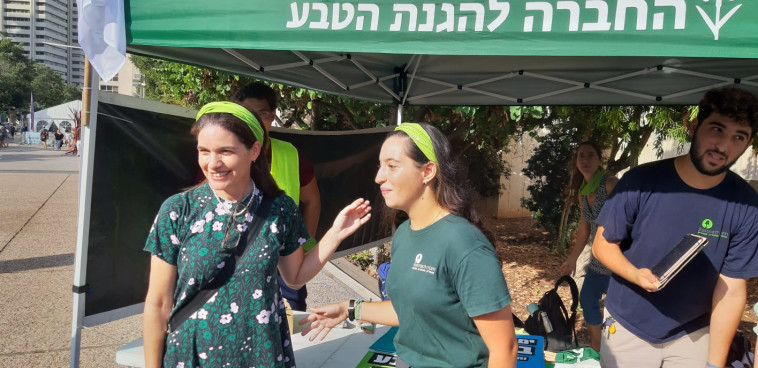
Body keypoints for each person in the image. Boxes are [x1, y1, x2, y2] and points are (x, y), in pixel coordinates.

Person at [142, 101, 371, 368]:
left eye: (225, 151)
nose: (212, 163)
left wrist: (335, 233)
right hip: (193, 355)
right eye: (204, 151)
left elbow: (295, 278)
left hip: (260, 353)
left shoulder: (280, 208)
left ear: (254, 151)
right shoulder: (178, 210)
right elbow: (158, 304)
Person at [301, 123, 518, 368]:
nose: (378, 177)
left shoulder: (464, 244)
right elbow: (409, 310)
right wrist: (349, 309)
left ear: (427, 172)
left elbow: (505, 349)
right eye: (380, 166)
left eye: (392, 166)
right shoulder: (404, 234)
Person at [592, 87, 758, 368]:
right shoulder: (641, 180)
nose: (723, 146)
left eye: (738, 137)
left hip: (692, 334)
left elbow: (731, 288)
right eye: (716, 130)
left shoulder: (747, 205)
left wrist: (714, 365)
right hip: (629, 324)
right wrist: (635, 274)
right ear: (694, 127)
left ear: (748, 143)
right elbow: (602, 245)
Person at [234, 82, 321, 311]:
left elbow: (312, 201)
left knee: (291, 331)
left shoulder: (290, 154)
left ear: (272, 115)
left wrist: (304, 244)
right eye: (245, 114)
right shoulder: (226, 155)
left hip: (285, 267)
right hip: (239, 265)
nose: (251, 121)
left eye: (260, 114)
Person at [559, 141, 618, 352]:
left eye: (590, 155)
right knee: (587, 298)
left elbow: (634, 217)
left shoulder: (610, 184)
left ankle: (617, 351)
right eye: (581, 156)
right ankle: (596, 349)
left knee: (617, 307)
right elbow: (584, 230)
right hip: (598, 259)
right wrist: (572, 258)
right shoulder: (583, 193)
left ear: (599, 160)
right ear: (576, 162)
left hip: (620, 259)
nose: (585, 160)